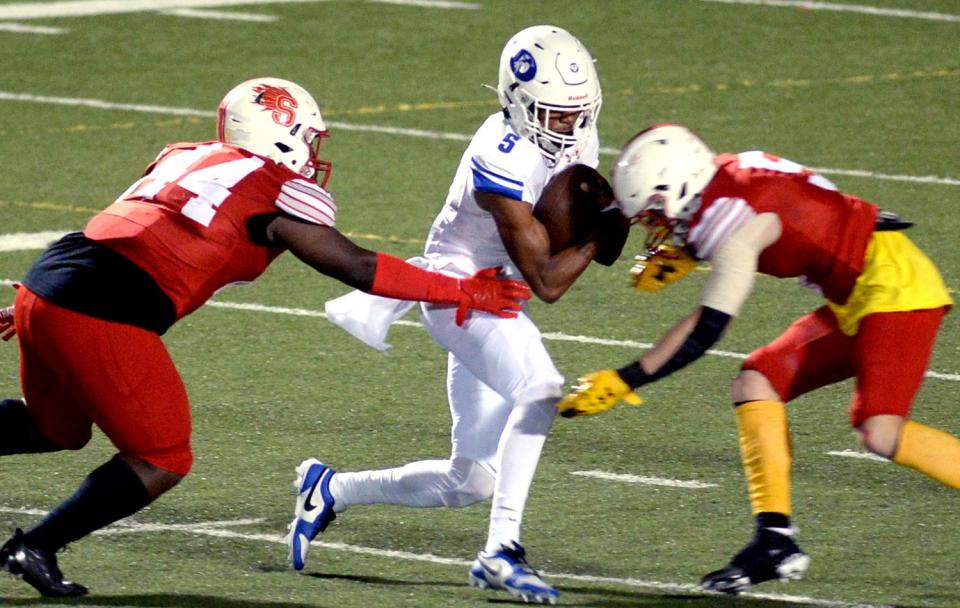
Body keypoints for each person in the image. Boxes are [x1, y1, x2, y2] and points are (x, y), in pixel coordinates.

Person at [0, 77, 531, 598]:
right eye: (306, 136)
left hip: (51, 281)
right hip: (100, 309)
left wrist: (39, 302)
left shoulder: (186, 155)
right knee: (162, 457)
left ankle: (37, 542)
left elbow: (133, 228)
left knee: (56, 427)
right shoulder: (274, 190)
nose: (311, 152)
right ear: (281, 132)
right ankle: (38, 546)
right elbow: (357, 265)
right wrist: (461, 290)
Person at [288, 26, 618, 605]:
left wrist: (609, 222)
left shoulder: (575, 137)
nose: (571, 126)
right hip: (460, 293)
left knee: (470, 480)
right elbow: (547, 282)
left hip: (501, 294)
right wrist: (597, 237)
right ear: (518, 103)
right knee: (539, 388)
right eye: (555, 113)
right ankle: (501, 552)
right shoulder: (501, 151)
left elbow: (550, 239)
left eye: (578, 111)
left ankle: (331, 489)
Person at [556, 123, 956, 594]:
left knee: (880, 430)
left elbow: (706, 328)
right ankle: (774, 540)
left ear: (676, 187)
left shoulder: (735, 223)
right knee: (757, 381)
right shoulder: (722, 174)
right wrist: (690, 248)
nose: (655, 225)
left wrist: (627, 379)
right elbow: (797, 202)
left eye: (654, 212)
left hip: (895, 288)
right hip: (863, 285)